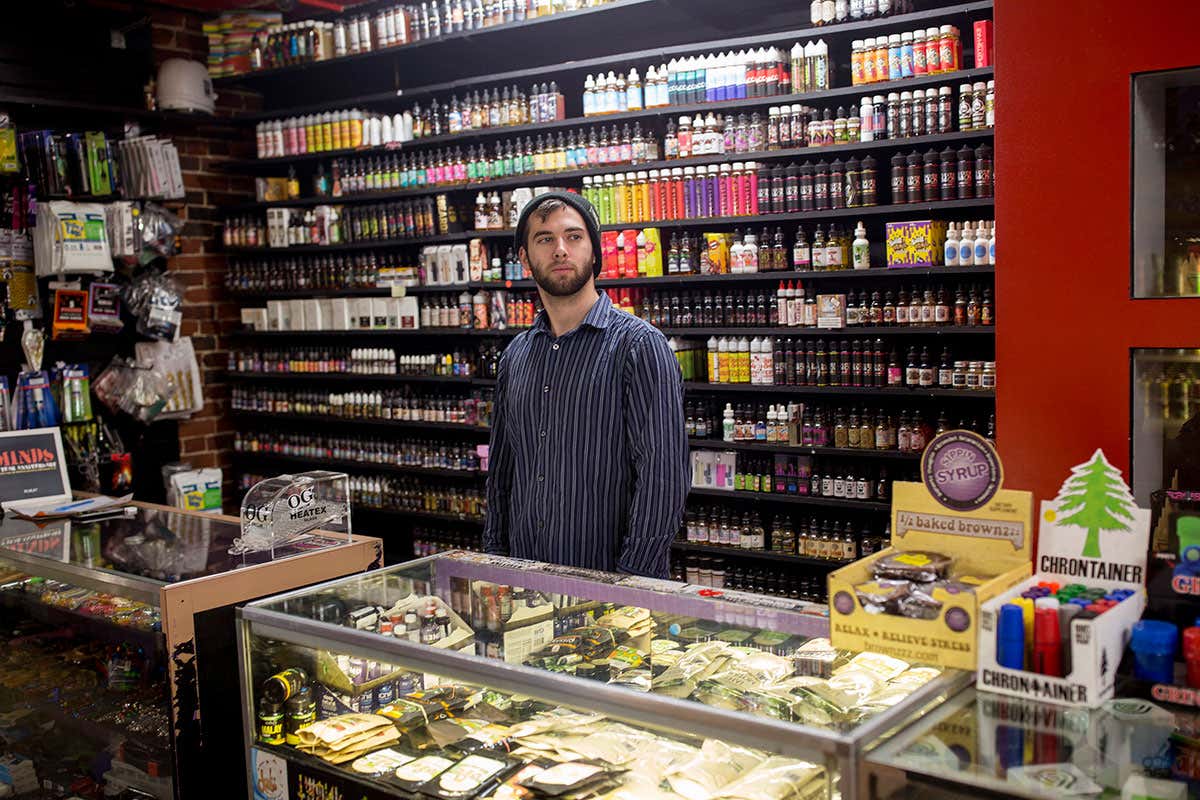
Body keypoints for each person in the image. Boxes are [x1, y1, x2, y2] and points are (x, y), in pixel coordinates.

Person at [482, 191, 689, 578]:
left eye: (574, 237)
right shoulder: (516, 357)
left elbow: (663, 481)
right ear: (525, 259)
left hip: (615, 593)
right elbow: (502, 476)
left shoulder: (639, 347)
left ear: (595, 252)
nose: (560, 250)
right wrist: (496, 565)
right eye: (544, 239)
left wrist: (628, 584)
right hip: (528, 588)